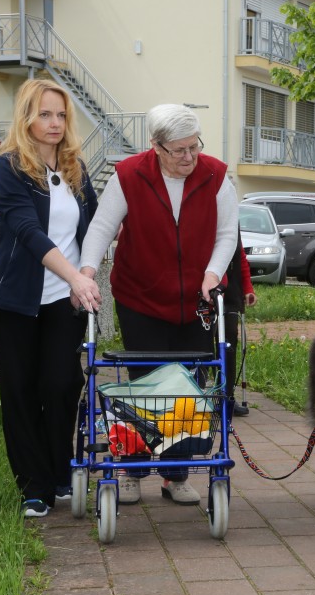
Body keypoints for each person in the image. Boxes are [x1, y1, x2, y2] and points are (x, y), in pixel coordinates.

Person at [79, 104, 239, 506]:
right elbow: (101, 228)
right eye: (179, 150)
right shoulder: (129, 175)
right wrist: (86, 272)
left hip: (197, 301)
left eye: (194, 147)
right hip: (141, 298)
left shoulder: (216, 176)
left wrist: (212, 275)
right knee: (145, 386)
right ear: (156, 146)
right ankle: (132, 470)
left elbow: (226, 235)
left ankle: (175, 474)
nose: (189, 157)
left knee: (189, 388)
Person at [0, 79, 101, 518]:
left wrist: (86, 274)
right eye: (45, 114)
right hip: (14, 300)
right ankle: (33, 486)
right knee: (21, 390)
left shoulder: (75, 168)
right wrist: (75, 278)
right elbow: (28, 232)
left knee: (62, 383)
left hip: (65, 301)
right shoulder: (9, 167)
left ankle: (60, 471)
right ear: (27, 117)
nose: (55, 123)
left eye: (61, 115)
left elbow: (94, 227)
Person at [224, 238, 256, 417]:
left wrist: (248, 289)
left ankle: (227, 397)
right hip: (204, 295)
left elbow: (240, 257)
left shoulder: (232, 226)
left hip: (231, 295)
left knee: (229, 346)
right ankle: (202, 395)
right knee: (203, 348)